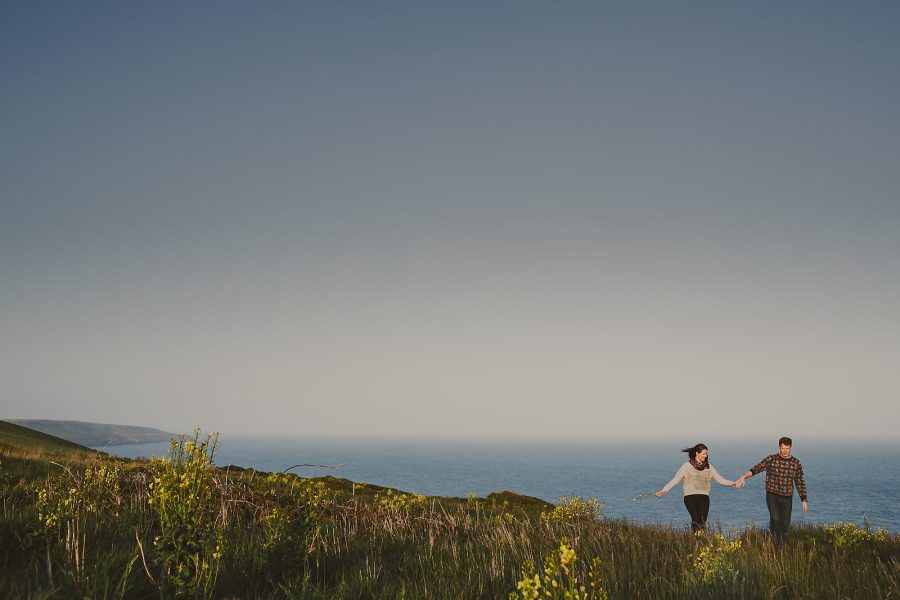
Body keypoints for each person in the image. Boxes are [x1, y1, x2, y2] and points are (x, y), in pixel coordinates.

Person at [734, 436, 808, 546]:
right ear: (779, 447)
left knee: (785, 525)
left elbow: (799, 482)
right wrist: (743, 477)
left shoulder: (796, 463)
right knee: (775, 518)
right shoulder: (772, 459)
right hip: (772, 495)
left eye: (787, 448)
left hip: (787, 497)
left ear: (791, 447)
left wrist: (804, 499)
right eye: (783, 448)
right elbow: (757, 468)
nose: (785, 451)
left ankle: (781, 548)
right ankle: (775, 545)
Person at [655, 443, 737, 532]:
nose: (706, 456)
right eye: (703, 453)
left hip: (704, 497)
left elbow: (720, 479)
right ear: (697, 453)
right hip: (690, 497)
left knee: (702, 521)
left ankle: (701, 541)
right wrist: (663, 491)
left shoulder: (709, 466)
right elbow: (675, 479)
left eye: (706, 454)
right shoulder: (687, 466)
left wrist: (733, 483)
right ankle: (695, 541)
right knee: (696, 520)